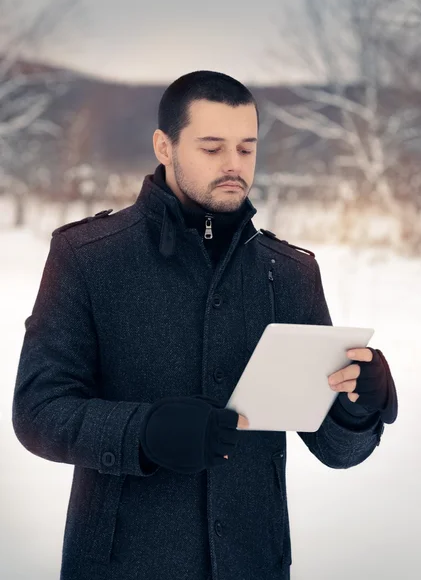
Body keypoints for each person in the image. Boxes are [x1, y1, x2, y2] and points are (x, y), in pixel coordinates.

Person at [12, 70, 398, 580]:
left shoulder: (290, 272)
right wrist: (142, 431)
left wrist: (358, 406)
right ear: (164, 146)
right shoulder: (89, 258)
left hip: (254, 564)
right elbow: (38, 410)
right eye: (212, 147)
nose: (234, 165)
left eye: (246, 148)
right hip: (119, 566)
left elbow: (335, 449)